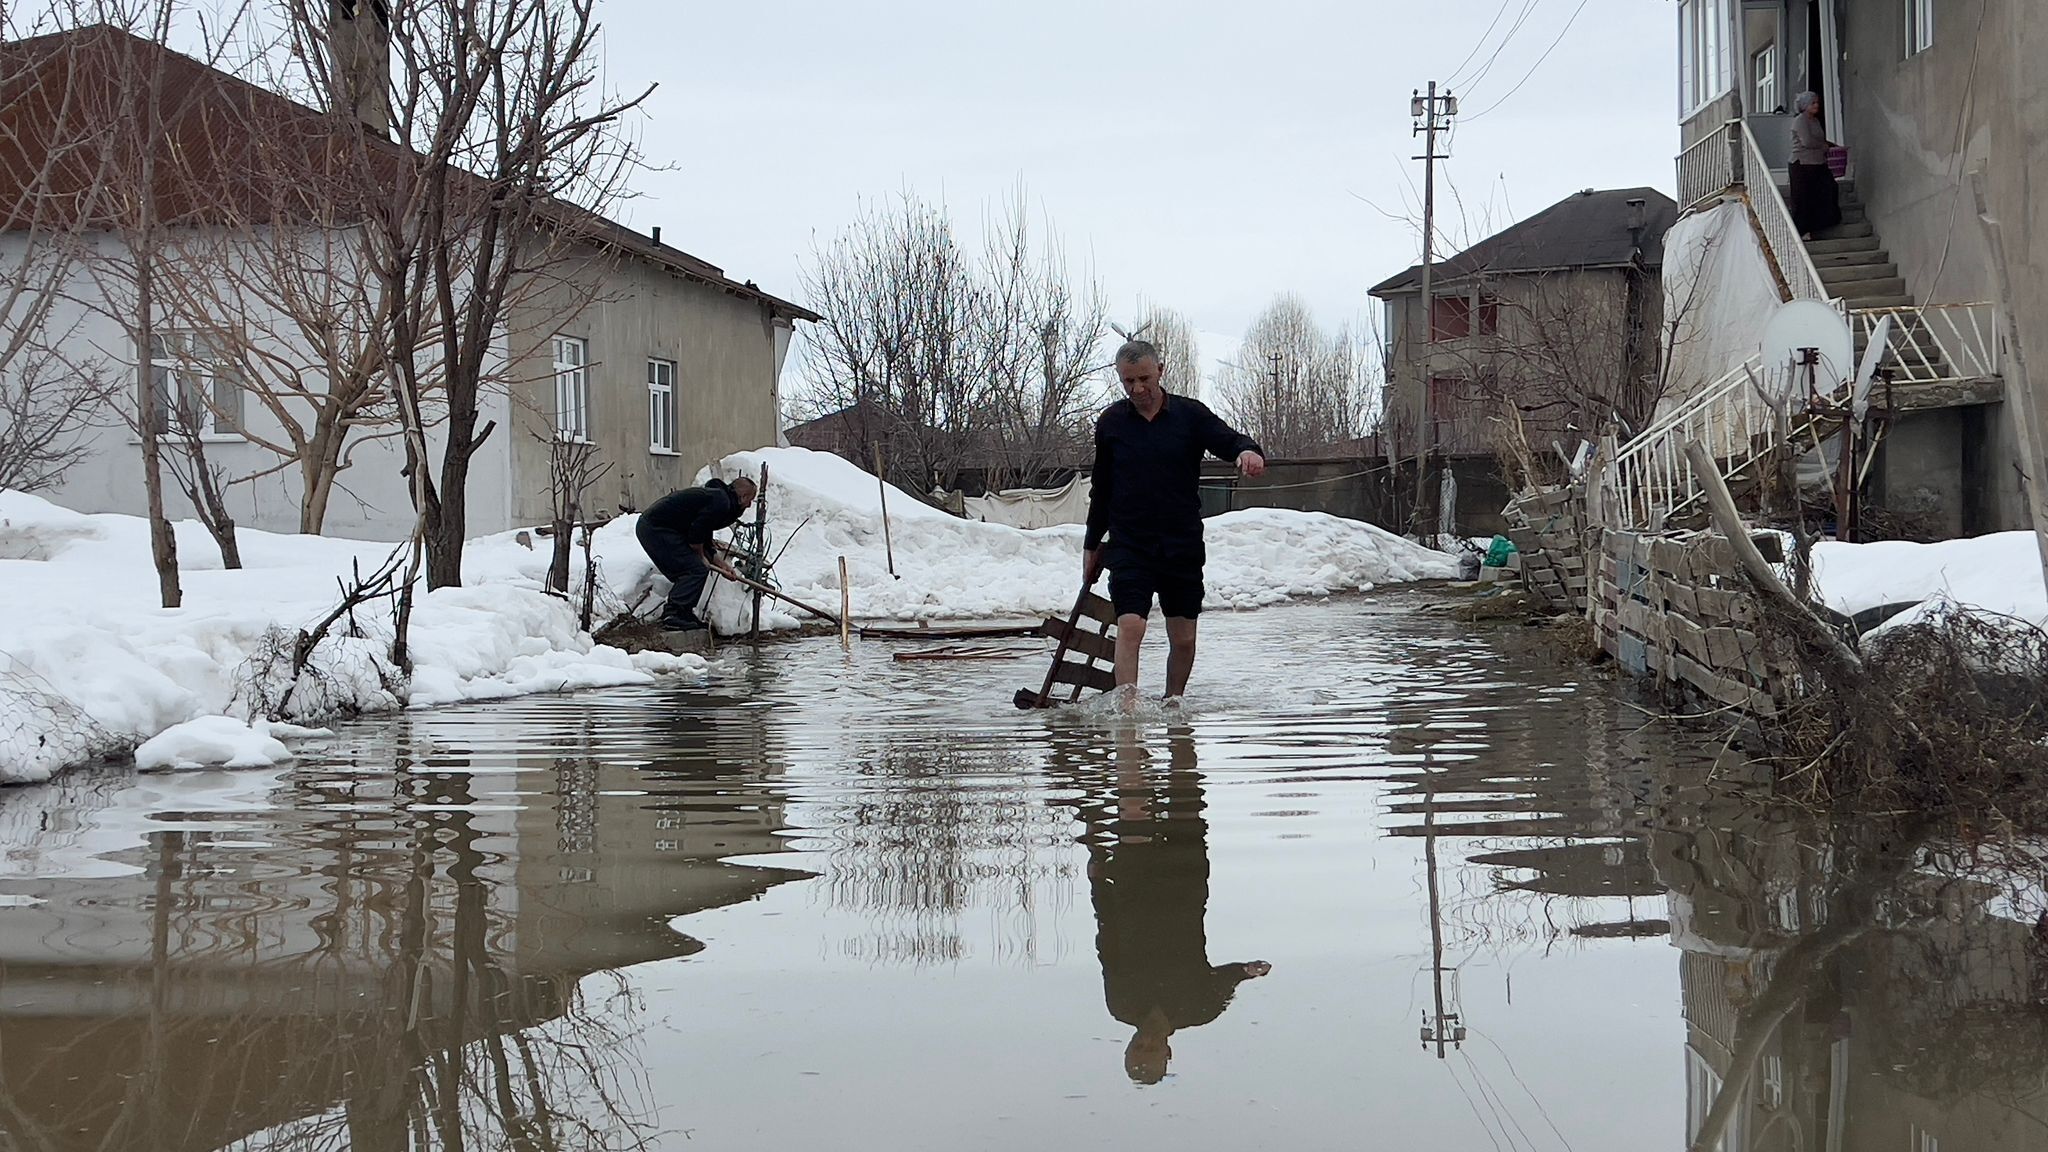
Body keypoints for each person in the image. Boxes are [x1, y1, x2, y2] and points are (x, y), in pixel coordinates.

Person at [1084, 727, 1270, 1085]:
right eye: (1151, 1051)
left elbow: (1107, 940)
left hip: (1133, 886)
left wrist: (1097, 878)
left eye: (1138, 1049)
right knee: (1185, 785)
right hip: (1185, 884)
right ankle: (1178, 726)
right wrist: (1249, 971)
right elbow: (1229, 978)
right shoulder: (1201, 1010)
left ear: (1128, 1047)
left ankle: (1130, 728)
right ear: (1167, 1052)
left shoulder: (1120, 1005)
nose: (1146, 1043)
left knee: (1132, 802)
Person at [1083, 338, 1265, 703]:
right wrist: (1091, 545)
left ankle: (1173, 703)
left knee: (1183, 638)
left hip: (1181, 543)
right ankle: (1127, 710)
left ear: (1160, 371)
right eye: (1129, 381)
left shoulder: (1189, 415)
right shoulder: (1112, 423)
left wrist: (1247, 451)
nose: (1137, 389)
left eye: (1144, 379)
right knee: (1131, 624)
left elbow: (1228, 439)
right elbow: (1101, 488)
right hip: (1130, 542)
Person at [635, 475, 756, 631]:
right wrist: (701, 557)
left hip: (663, 528)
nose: (749, 505)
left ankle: (683, 613)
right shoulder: (721, 503)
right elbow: (696, 535)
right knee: (695, 569)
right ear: (743, 497)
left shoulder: (718, 499)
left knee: (695, 568)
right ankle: (674, 614)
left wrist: (721, 564)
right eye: (750, 500)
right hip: (656, 528)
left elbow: (704, 536)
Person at [1788, 91, 1841, 241]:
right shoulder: (1800, 121)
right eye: (1813, 103)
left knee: (1829, 189)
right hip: (1802, 164)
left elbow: (1819, 139)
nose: (1817, 105)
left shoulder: (1815, 121)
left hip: (1817, 162)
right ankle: (1802, 230)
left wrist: (1831, 145)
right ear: (1805, 105)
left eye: (1817, 102)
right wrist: (1823, 146)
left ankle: (1822, 224)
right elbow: (1807, 141)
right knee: (1803, 198)